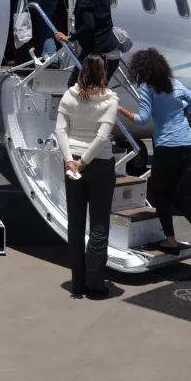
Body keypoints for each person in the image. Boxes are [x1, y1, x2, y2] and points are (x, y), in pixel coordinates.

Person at [118, 48, 191, 256]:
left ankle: (171, 241)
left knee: (159, 192)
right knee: (170, 190)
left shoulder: (148, 87)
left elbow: (142, 120)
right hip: (187, 143)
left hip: (168, 146)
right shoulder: (175, 84)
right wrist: (184, 110)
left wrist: (119, 109)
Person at [55, 54, 119, 298]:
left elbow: (60, 130)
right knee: (99, 223)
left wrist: (70, 160)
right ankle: (95, 283)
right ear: (103, 72)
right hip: (99, 163)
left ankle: (78, 282)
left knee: (75, 222)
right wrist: (84, 162)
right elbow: (102, 136)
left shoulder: (69, 95)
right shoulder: (109, 99)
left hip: (71, 162)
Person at [54, 0, 121, 88]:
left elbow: (89, 26)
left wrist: (69, 38)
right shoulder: (104, 0)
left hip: (96, 54)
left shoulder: (83, 1)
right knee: (99, 91)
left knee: (74, 86)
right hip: (113, 54)